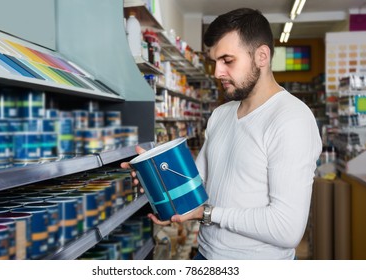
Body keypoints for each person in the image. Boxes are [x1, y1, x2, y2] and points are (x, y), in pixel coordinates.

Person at [121, 7, 322, 260]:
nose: (217, 72)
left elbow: (287, 228)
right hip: (205, 255)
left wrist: (208, 214)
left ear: (261, 56)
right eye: (214, 61)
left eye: (228, 60)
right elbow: (198, 183)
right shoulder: (221, 114)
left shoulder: (291, 119)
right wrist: (155, 174)